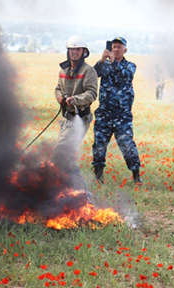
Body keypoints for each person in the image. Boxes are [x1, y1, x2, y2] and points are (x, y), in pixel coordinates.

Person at [92, 36, 143, 184]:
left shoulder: (130, 66)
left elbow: (127, 76)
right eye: (113, 47)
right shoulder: (105, 66)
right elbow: (92, 75)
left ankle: (136, 176)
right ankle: (98, 176)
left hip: (122, 115)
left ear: (125, 50)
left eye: (119, 47)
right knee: (99, 145)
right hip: (104, 114)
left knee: (127, 145)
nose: (116, 49)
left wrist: (113, 62)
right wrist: (102, 61)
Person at [53, 35, 98, 190]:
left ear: (84, 52)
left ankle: (83, 194)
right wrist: (60, 97)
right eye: (71, 49)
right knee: (65, 158)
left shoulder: (88, 71)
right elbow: (58, 88)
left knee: (61, 154)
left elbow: (92, 93)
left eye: (77, 49)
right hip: (66, 119)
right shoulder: (63, 70)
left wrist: (74, 99)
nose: (74, 52)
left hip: (80, 119)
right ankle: (69, 192)